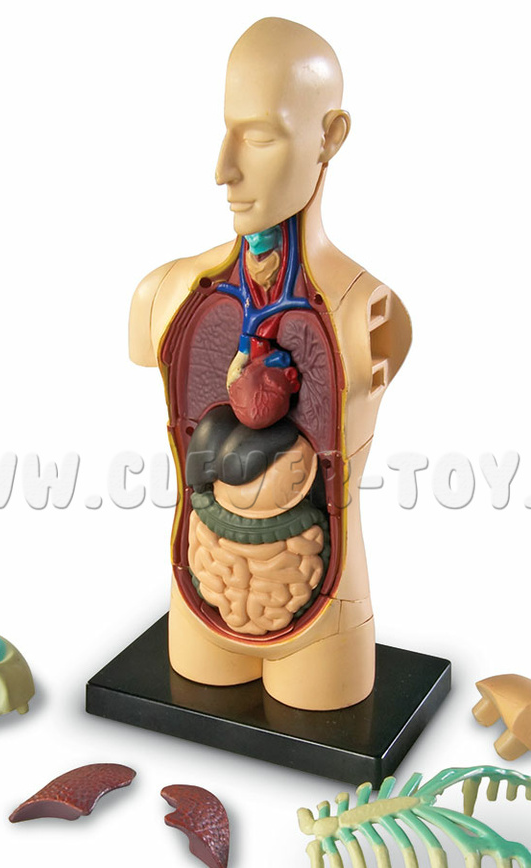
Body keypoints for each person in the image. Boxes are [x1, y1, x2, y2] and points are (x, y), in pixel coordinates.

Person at [128, 18, 411, 710]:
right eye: (228, 131)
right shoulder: (166, 294)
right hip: (203, 597)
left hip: (325, 618)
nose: (224, 169)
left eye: (259, 137)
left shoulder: (370, 312)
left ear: (330, 137)